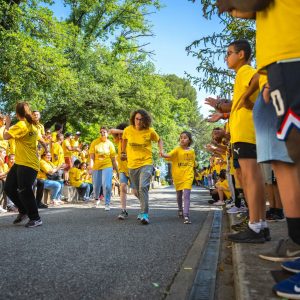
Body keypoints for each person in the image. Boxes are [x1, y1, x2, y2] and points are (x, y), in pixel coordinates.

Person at [217, 1, 300, 298]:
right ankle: (291, 238)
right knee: (286, 162)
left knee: (289, 158)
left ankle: (259, 224)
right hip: (282, 61)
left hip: (290, 54)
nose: (226, 56)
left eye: (229, 52)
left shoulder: (248, 69)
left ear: (241, 54)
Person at [3, 102, 43, 228]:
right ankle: (23, 210)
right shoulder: (32, 123)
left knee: (24, 190)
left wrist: (7, 124)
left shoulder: (21, 125)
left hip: (28, 163)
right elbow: (39, 138)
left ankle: (36, 218)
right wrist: (46, 147)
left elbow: (5, 136)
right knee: (9, 187)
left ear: (17, 113)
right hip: (20, 162)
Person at [121, 109, 163, 224]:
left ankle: (144, 214)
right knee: (135, 191)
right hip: (132, 164)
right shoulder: (128, 130)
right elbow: (124, 139)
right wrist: (123, 152)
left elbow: (159, 140)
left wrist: (160, 151)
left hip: (146, 163)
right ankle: (144, 205)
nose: (138, 121)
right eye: (136, 119)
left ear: (145, 120)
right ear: (133, 119)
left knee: (143, 187)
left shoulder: (149, 131)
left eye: (141, 119)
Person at [161, 131, 195, 224]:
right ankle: (180, 209)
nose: (182, 139)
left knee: (187, 194)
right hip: (177, 175)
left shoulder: (192, 151)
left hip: (188, 175)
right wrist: (162, 151)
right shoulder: (177, 149)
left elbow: (193, 163)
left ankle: (186, 215)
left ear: (189, 140)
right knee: (179, 194)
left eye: (185, 137)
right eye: (181, 137)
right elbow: (167, 155)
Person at [89, 126, 118, 211]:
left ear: (107, 134)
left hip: (107, 165)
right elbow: (91, 157)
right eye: (101, 132)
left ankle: (107, 203)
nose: (102, 134)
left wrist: (117, 170)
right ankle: (96, 199)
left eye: (104, 132)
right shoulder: (95, 143)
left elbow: (113, 159)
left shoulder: (110, 144)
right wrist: (91, 167)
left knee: (107, 185)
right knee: (96, 185)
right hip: (97, 166)